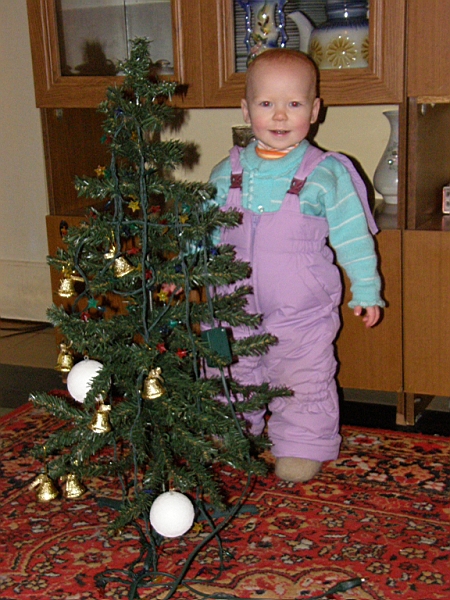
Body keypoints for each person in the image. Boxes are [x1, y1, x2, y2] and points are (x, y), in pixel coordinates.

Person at [208, 49, 384, 483]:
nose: (280, 115)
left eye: (294, 103)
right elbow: (202, 231)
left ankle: (302, 444)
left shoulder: (325, 173)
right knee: (228, 367)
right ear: (246, 110)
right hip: (230, 304)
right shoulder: (225, 172)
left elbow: (353, 238)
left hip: (301, 309)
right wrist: (185, 270)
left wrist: (366, 289)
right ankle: (231, 432)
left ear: (315, 110)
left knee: (302, 375)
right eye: (267, 103)